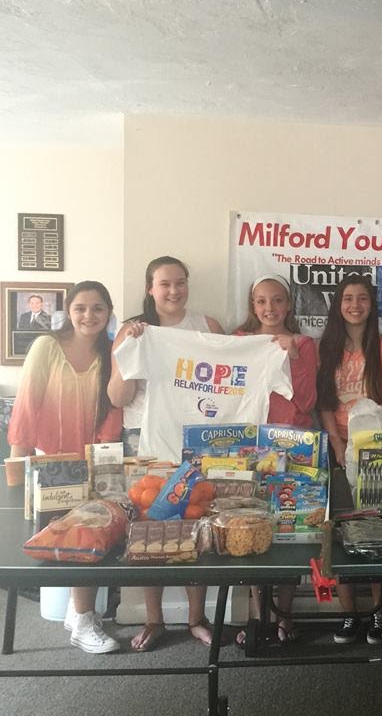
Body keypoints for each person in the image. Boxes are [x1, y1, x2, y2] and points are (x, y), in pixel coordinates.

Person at [108, 256, 225, 652]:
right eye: (165, 284)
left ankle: (196, 618)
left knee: (196, 521)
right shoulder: (134, 330)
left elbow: (228, 383)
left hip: (194, 439)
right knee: (147, 528)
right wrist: (129, 350)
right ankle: (153, 618)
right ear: (150, 289)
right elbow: (117, 397)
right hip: (145, 442)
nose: (174, 291)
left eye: (180, 282)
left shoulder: (207, 327)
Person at [8, 281, 122, 653]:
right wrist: (17, 469)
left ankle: (83, 618)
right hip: (49, 465)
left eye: (98, 308)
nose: (89, 315)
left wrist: (101, 465)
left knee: (90, 538)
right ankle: (81, 616)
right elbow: (26, 408)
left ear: (108, 313)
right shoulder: (46, 346)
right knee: (66, 541)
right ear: (68, 312)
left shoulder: (112, 353)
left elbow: (114, 411)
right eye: (80, 308)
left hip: (93, 462)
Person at [234, 275, 318, 646]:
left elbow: (308, 400)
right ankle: (258, 616)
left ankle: (285, 614)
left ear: (289, 304)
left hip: (294, 449)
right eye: (262, 301)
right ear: (252, 306)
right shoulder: (238, 341)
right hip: (249, 451)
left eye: (278, 300)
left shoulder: (303, 344)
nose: (270, 308)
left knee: (289, 533)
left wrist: (294, 357)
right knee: (249, 529)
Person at [316, 275, 382, 644]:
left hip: (373, 447)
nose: (355, 305)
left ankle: (379, 613)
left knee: (378, 530)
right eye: (348, 298)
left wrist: (374, 444)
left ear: (371, 305)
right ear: (338, 304)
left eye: (362, 298)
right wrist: (336, 442)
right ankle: (348, 614)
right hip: (338, 446)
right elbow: (324, 401)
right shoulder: (326, 347)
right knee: (340, 533)